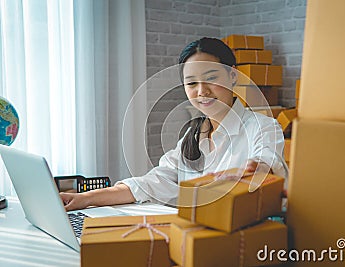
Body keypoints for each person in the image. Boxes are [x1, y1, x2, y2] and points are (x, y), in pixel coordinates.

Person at [60, 37, 288, 211]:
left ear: (233, 77)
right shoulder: (193, 136)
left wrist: (255, 170)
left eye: (211, 78)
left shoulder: (263, 126)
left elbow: (268, 163)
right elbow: (152, 182)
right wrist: (85, 199)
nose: (202, 92)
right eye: (191, 83)